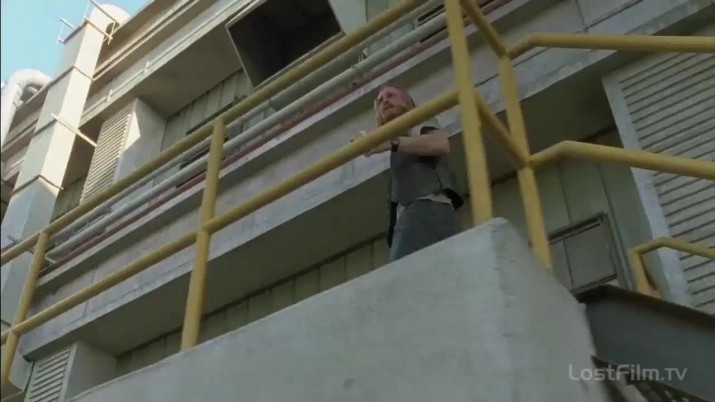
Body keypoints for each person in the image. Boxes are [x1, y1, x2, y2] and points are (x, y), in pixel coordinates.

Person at [357, 84, 463, 261]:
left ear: (408, 101)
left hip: (425, 209)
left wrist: (392, 142)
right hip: (417, 215)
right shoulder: (403, 142)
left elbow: (440, 143)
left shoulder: (417, 121)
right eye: (380, 101)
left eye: (391, 95)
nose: (385, 102)